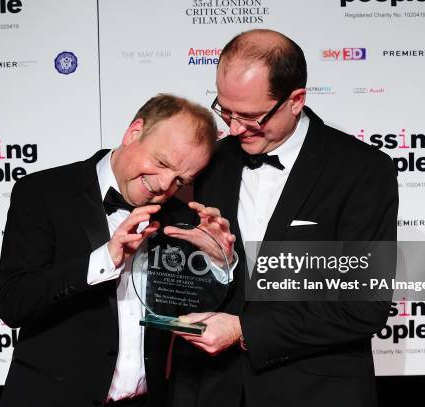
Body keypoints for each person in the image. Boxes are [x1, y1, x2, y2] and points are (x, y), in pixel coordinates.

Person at [170, 29, 399, 407]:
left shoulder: (363, 170)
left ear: (296, 100)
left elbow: (363, 306)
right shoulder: (211, 161)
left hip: (316, 392)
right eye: (225, 110)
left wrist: (244, 330)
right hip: (213, 389)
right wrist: (212, 260)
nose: (233, 128)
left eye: (250, 116)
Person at [0, 94, 235, 407]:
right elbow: (14, 304)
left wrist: (219, 260)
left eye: (181, 179)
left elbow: (192, 318)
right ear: (134, 131)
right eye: (161, 162)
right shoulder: (43, 192)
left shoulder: (182, 219)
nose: (164, 184)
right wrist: (105, 259)